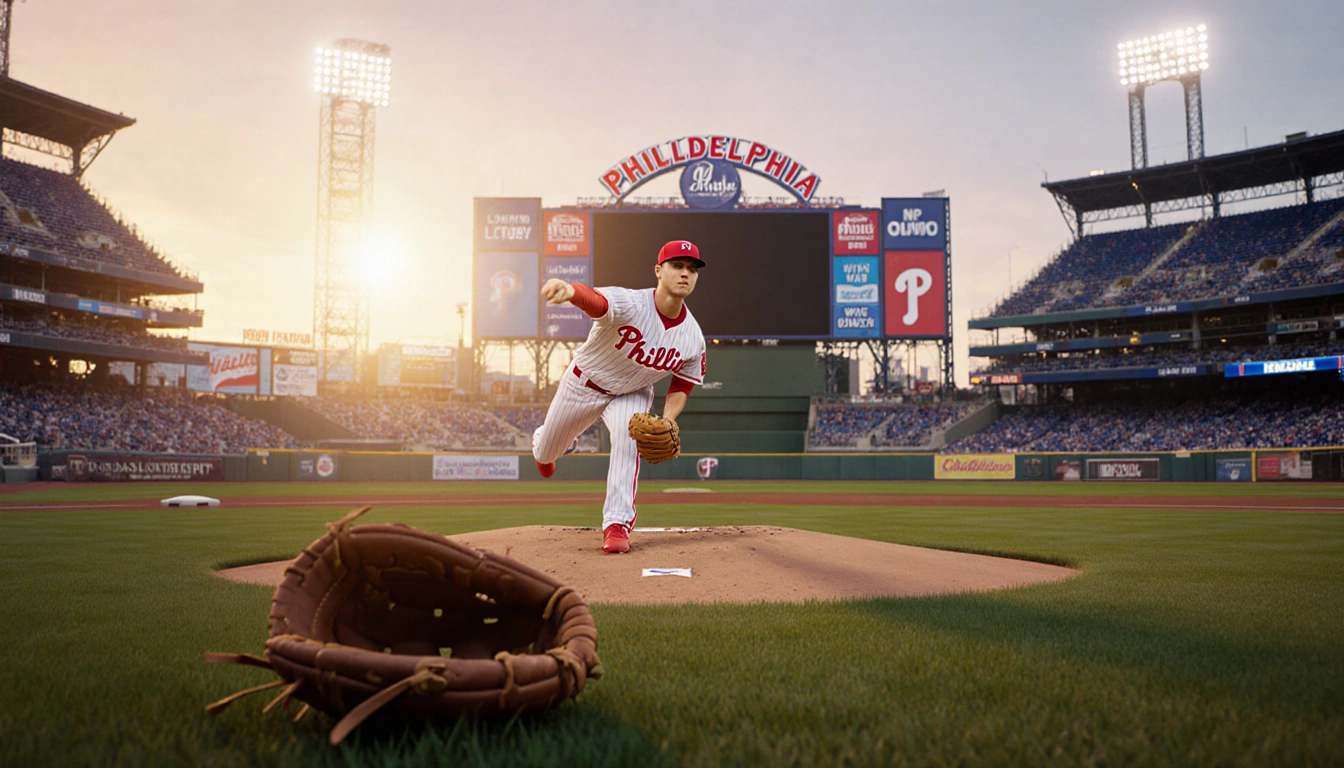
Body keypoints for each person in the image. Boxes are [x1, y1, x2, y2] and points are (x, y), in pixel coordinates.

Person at [532, 240, 707, 554]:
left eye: (692, 269)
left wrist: (667, 420)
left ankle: (617, 524)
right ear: (658, 270)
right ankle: (548, 441)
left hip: (633, 392)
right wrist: (572, 292)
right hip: (584, 383)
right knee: (546, 455)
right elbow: (598, 302)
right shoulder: (632, 302)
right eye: (677, 266)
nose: (685, 274)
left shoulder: (693, 337)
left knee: (630, 437)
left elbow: (683, 384)